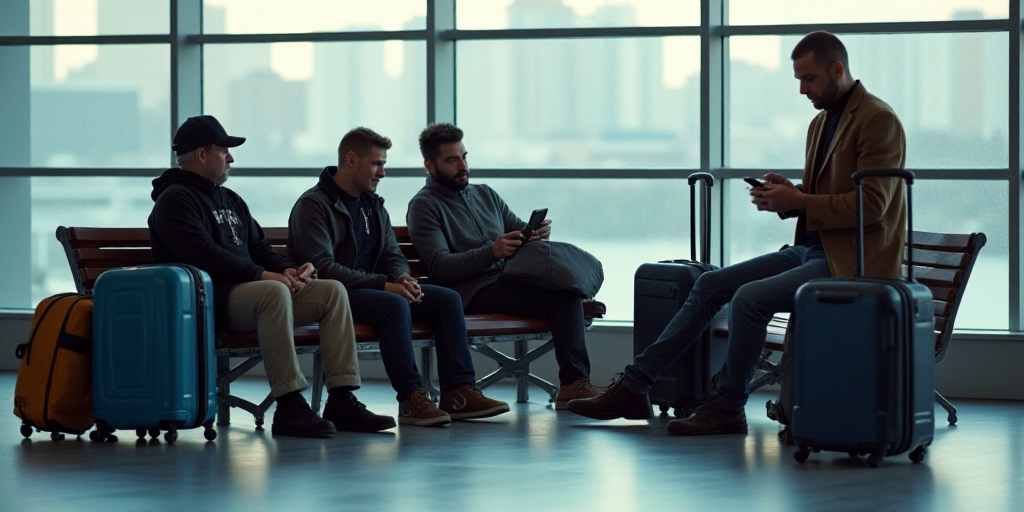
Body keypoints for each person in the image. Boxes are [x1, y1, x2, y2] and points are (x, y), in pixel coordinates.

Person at [568, 31, 907, 435]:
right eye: (798, 79)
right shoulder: (821, 123)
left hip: (852, 262)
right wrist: (792, 193)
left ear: (837, 69)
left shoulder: (878, 120)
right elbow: (830, 196)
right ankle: (635, 385)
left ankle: (727, 408)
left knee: (748, 299)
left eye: (810, 79)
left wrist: (799, 201)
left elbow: (873, 205)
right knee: (711, 283)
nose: (802, 90)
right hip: (813, 250)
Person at [149, 115, 396, 438]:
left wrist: (288, 270)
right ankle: (289, 403)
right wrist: (263, 276)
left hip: (252, 295)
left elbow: (259, 247)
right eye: (225, 151)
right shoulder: (174, 201)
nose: (231, 158)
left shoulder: (230, 199)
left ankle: (341, 398)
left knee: (332, 291)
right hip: (210, 301)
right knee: (272, 293)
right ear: (201, 154)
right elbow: (204, 255)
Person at [288, 127, 510, 427]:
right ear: (351, 160)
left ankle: (458, 392)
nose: (382, 173)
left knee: (446, 299)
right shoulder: (314, 205)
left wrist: (405, 279)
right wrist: (386, 285)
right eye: (376, 164)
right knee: (393, 305)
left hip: (378, 290)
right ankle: (411, 398)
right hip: (335, 296)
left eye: (384, 165)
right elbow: (324, 267)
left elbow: (393, 254)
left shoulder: (372, 204)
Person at [406, 123, 600, 409]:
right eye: (452, 160)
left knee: (566, 288)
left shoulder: (485, 194)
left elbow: (518, 231)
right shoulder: (424, 205)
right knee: (563, 295)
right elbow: (439, 267)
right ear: (430, 165)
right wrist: (492, 252)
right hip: (470, 292)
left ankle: (574, 384)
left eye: (464, 156)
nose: (462, 165)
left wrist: (533, 233)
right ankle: (573, 383)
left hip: (507, 279)